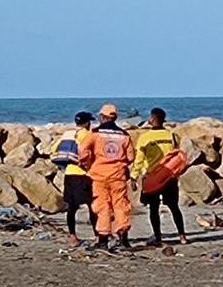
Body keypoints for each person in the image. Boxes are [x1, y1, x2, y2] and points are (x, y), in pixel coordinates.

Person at [80, 104, 134, 251]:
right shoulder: (124, 135)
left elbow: (83, 150)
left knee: (102, 206)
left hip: (99, 175)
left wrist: (87, 164)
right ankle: (123, 238)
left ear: (103, 117)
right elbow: (130, 157)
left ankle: (103, 239)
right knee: (121, 205)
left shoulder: (95, 133)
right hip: (118, 176)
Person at [133, 108, 187, 246]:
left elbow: (139, 159)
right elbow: (177, 155)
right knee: (174, 207)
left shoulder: (144, 138)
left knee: (154, 209)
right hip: (169, 176)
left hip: (153, 177)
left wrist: (134, 176)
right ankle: (182, 236)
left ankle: (158, 238)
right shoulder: (172, 136)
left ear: (152, 119)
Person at [51, 111, 97, 247]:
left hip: (69, 174)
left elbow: (54, 149)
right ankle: (97, 235)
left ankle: (73, 237)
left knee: (72, 208)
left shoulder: (68, 133)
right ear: (87, 123)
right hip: (84, 174)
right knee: (92, 206)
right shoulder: (88, 134)